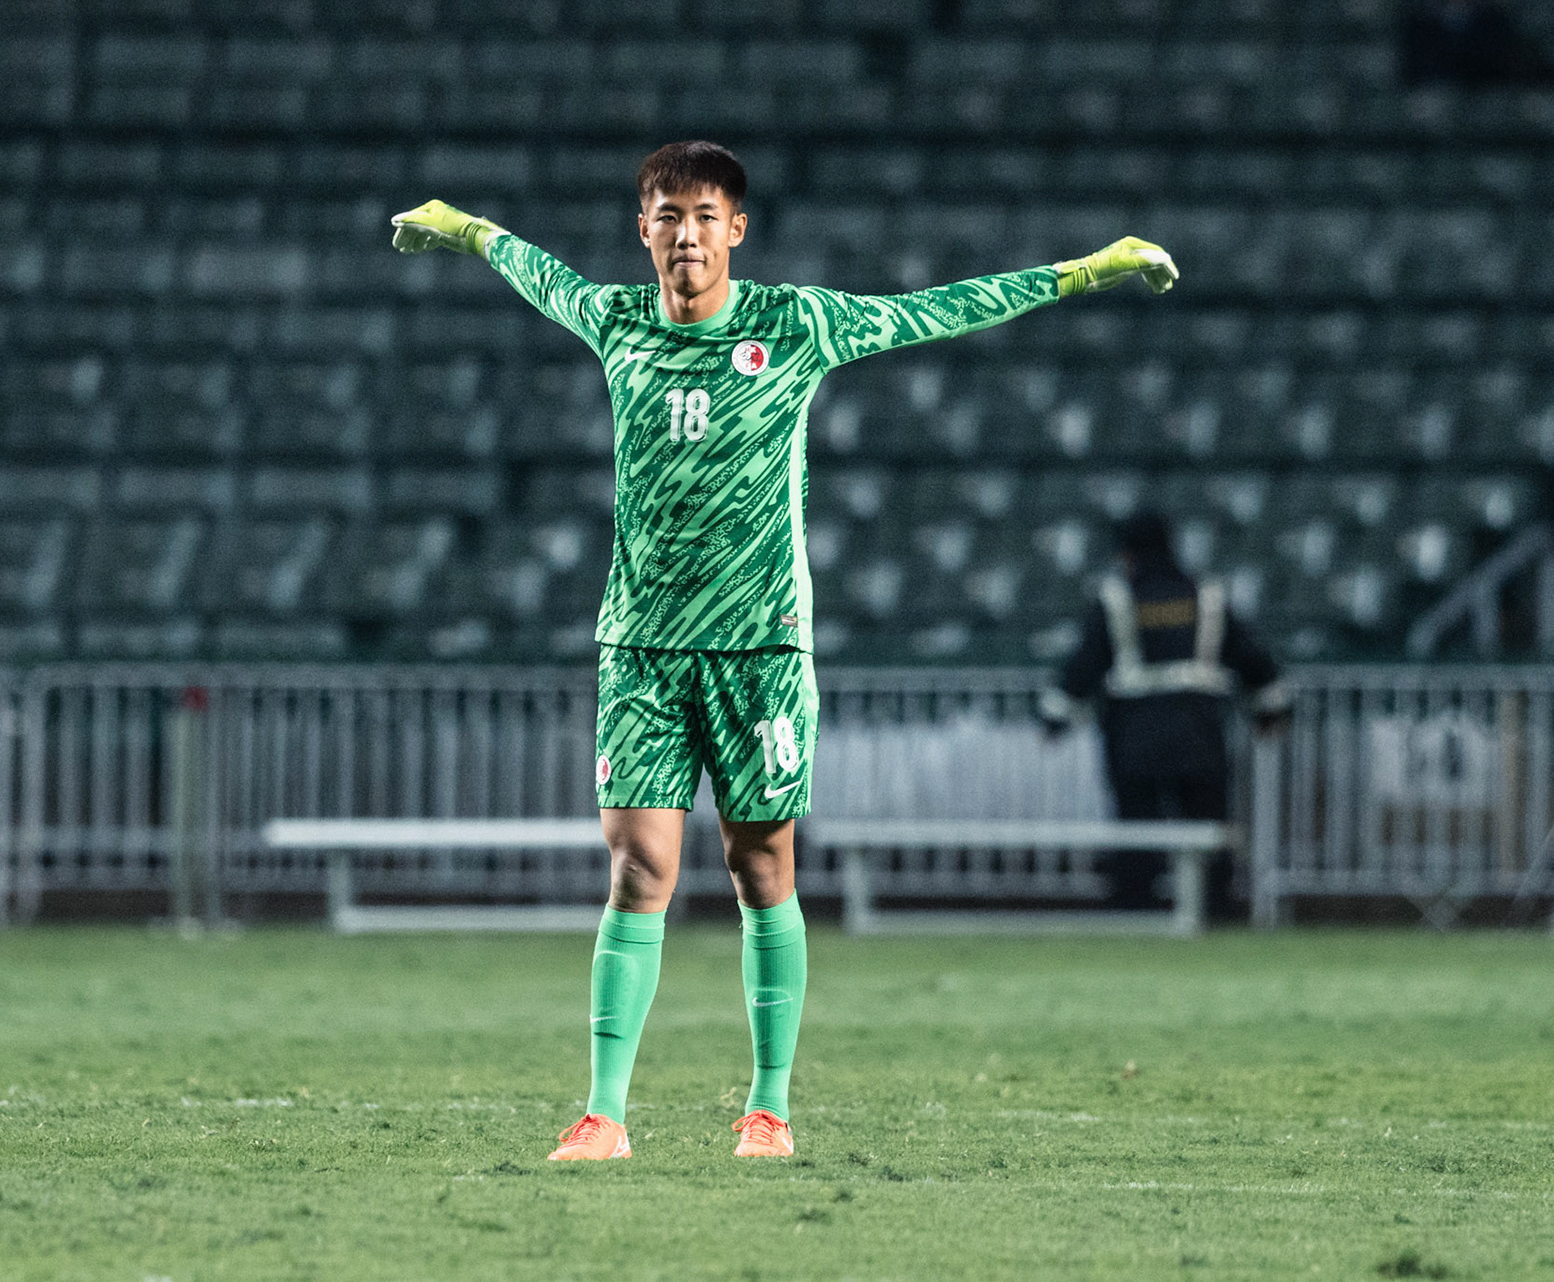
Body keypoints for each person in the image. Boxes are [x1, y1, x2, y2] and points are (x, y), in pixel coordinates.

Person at [391, 141, 1178, 1161]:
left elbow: (941, 308)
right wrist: (459, 227)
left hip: (760, 645)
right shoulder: (615, 318)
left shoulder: (795, 324)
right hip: (641, 645)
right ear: (644, 229)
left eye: (704, 215)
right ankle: (604, 1115)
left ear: (736, 228)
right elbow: (531, 267)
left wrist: (1090, 268)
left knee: (760, 865)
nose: (686, 234)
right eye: (668, 215)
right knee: (638, 866)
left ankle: (768, 1108)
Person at [1040, 512, 1285, 916]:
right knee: (1206, 822)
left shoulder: (1116, 598)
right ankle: (1215, 911)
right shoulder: (1207, 595)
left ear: (1125, 554)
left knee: (1138, 828)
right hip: (1199, 730)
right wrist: (1270, 710)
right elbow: (1251, 657)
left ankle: (1135, 910)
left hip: (1134, 732)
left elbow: (1085, 663)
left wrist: (1055, 719)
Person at [1398, 0, 1554, 90]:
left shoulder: (1494, 20)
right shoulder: (1419, 23)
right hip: (1437, 91)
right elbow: (1415, 67)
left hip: (1488, 92)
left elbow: (1501, 63)